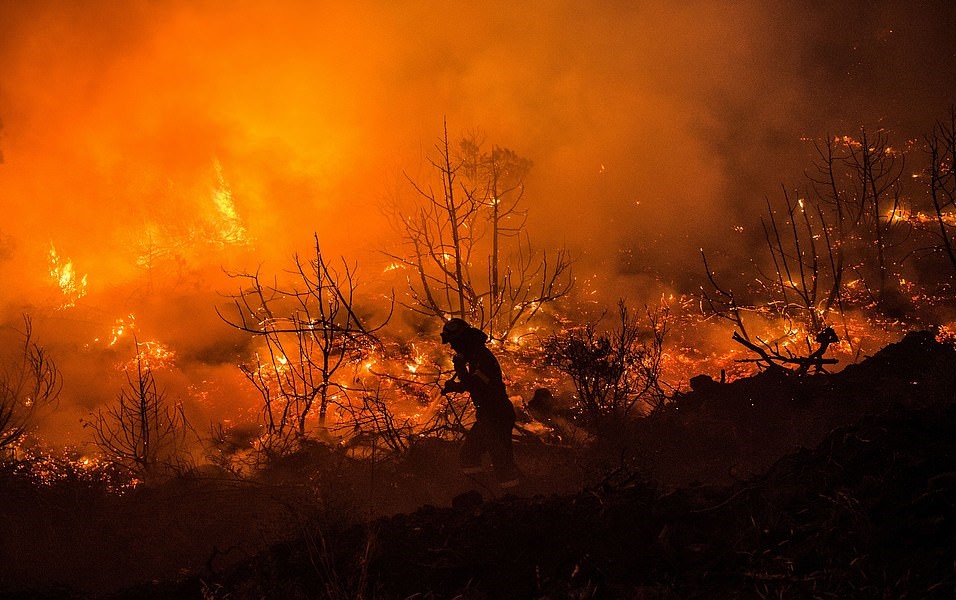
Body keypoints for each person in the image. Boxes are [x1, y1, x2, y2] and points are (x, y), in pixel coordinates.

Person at [440, 318, 519, 489]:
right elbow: (473, 383)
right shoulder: (476, 356)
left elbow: (476, 384)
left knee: (501, 462)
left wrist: (459, 372)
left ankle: (513, 497)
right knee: (469, 454)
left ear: (462, 340)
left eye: (454, 342)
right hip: (489, 414)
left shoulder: (483, 358)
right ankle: (480, 492)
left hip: (496, 415)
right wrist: (456, 384)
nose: (452, 347)